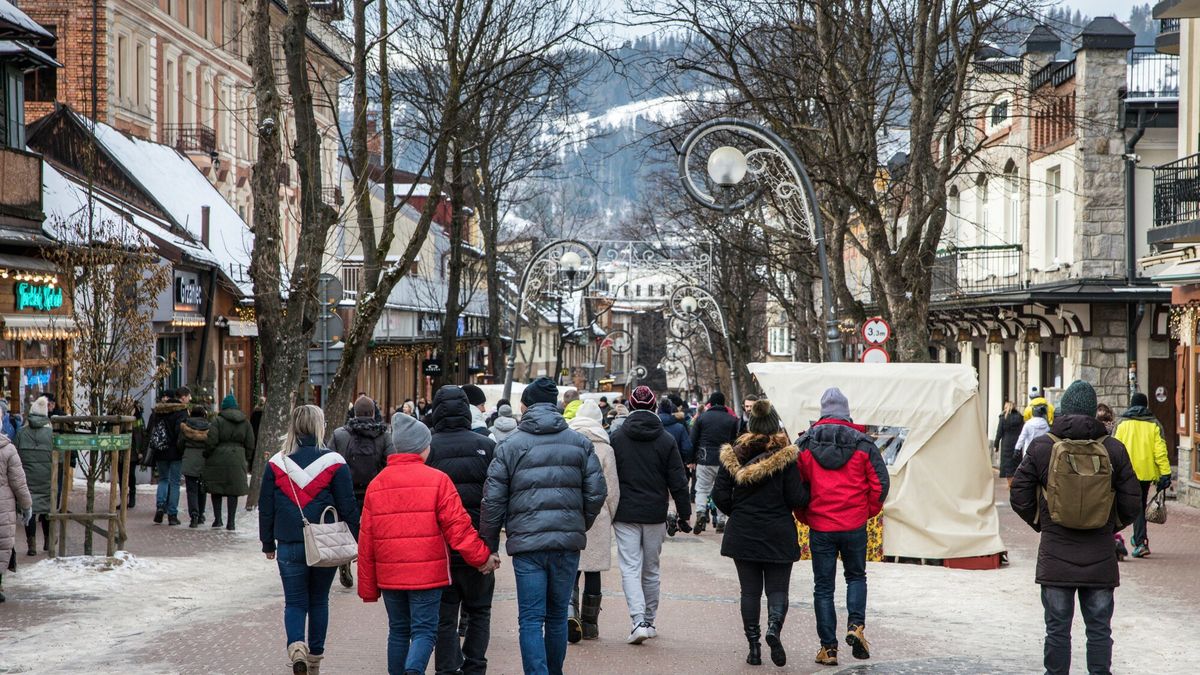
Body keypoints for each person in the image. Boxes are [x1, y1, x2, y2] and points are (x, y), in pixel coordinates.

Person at [1010, 380, 1141, 675]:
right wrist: (1110, 524)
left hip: (1056, 554)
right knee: (1098, 630)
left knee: (1057, 630)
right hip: (1100, 556)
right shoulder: (1113, 448)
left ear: (1064, 410)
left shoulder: (1043, 446)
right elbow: (1133, 501)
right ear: (1093, 413)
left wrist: (1042, 521)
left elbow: (1018, 494)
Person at [479, 377, 606, 675]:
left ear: (526, 405)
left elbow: (493, 500)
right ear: (557, 406)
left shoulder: (511, 446)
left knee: (531, 619)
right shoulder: (580, 443)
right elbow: (597, 492)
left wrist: (489, 546)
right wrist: (578, 524)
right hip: (566, 543)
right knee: (557, 615)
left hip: (528, 545)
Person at [359, 410, 498, 675]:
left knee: (398, 631)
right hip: (428, 575)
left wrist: (368, 586)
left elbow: (367, 539)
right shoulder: (437, 480)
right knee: (424, 631)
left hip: (390, 575)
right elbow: (459, 528)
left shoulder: (377, 485)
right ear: (422, 448)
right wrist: (482, 557)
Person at [259, 404, 360, 674]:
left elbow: (266, 506)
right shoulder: (334, 462)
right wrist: (357, 537)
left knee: (294, 602)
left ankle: (296, 648)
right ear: (319, 426)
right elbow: (347, 505)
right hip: (324, 545)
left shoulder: (276, 463)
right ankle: (314, 658)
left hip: (289, 544)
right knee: (318, 601)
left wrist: (267, 543)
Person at [795, 388, 888, 667]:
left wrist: (804, 515)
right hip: (854, 524)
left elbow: (797, 487)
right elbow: (880, 484)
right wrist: (866, 511)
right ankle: (855, 626)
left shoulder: (805, 444)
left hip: (821, 524)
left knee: (823, 587)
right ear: (847, 412)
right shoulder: (863, 444)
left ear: (822, 412)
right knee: (856, 577)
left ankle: (828, 648)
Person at [713, 399, 809, 667]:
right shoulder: (787, 457)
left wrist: (738, 511)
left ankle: (754, 647)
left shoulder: (734, 455)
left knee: (750, 592)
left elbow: (719, 494)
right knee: (778, 591)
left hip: (743, 532)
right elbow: (797, 498)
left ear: (750, 425)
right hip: (778, 531)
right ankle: (773, 630)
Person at [423, 386, 497, 675]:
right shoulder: (486, 446)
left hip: (439, 548)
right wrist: (489, 544)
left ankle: (447, 666)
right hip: (478, 544)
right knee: (480, 610)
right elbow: (495, 498)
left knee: (444, 616)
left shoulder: (427, 447)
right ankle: (475, 665)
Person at [609, 385, 691, 645]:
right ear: (655, 408)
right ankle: (650, 620)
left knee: (630, 568)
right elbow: (678, 480)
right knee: (652, 569)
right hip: (655, 511)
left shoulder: (618, 438)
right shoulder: (665, 439)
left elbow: (609, 478)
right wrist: (683, 513)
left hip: (625, 513)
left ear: (630, 407)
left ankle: (638, 621)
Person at [566, 400, 620, 643]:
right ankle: (590, 625)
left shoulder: (568, 442)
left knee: (572, 568)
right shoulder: (606, 448)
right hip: (598, 515)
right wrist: (610, 514)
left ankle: (570, 613)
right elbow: (612, 489)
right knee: (595, 570)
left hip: (572, 512)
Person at [330, 395, 393, 587]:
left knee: (346, 528)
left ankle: (345, 559)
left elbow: (330, 461)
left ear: (354, 412)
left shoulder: (340, 435)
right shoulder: (383, 435)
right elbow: (391, 462)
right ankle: (373, 570)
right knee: (374, 532)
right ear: (373, 413)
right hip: (374, 492)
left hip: (346, 491)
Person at [1113, 392, 1172, 559]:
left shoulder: (1122, 424)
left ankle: (1131, 540)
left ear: (1131, 405)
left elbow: (1114, 448)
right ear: (1146, 405)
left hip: (1125, 474)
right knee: (1139, 505)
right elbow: (1160, 452)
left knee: (1124, 505)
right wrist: (1165, 473)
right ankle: (1139, 541)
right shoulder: (1154, 424)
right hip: (1145, 474)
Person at [689, 392, 740, 534]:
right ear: (724, 403)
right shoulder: (732, 420)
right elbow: (735, 441)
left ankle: (700, 512)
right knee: (722, 490)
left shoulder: (702, 418)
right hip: (724, 460)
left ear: (710, 403)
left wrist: (691, 459)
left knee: (702, 488)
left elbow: (693, 439)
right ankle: (721, 520)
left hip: (704, 458)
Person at [205, 394, 255, 531]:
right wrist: (247, 458)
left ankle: (218, 519)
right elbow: (250, 443)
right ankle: (231, 522)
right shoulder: (245, 422)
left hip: (218, 457)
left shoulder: (217, 421)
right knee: (233, 491)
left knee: (217, 489)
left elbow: (211, 440)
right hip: (237, 457)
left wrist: (207, 454)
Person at [146, 387, 189, 526]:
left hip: (160, 450)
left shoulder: (160, 411)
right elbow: (180, 432)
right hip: (175, 451)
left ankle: (160, 506)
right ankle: (172, 514)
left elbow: (151, 430)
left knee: (163, 479)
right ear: (181, 397)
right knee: (175, 482)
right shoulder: (181, 411)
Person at [17, 396, 53, 555]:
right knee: (46, 509)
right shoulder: (51, 434)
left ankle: (31, 546)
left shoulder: (21, 433)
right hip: (46, 478)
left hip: (28, 478)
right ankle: (48, 541)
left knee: (29, 510)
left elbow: (15, 455)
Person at [0, 429, 32, 603]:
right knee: (2, 544)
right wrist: (26, 505)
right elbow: (19, 482)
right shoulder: (8, 449)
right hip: (3, 505)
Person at [178, 405, 214, 528]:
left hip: (189, 459)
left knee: (191, 490)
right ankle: (201, 515)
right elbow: (211, 444)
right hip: (203, 460)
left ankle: (193, 515)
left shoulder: (185, 427)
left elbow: (180, 444)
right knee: (202, 489)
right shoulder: (209, 427)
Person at [993, 400, 1024, 479]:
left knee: (1007, 467)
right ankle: (1015, 482)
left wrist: (996, 445)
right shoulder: (1020, 417)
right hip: (1017, 443)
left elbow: (999, 432)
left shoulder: (1003, 417)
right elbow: (1022, 430)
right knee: (1016, 464)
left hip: (1006, 443)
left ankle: (1010, 484)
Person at [657, 398, 693, 466]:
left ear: (659, 410)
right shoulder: (680, 428)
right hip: (676, 465)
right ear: (670, 410)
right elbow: (687, 448)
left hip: (656, 467)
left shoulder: (652, 426)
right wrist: (686, 461)